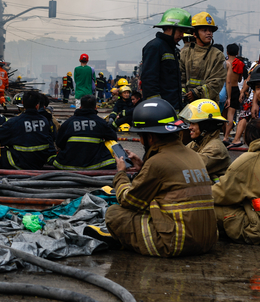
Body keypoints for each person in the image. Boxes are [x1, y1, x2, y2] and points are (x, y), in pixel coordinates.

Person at [91, 98, 218, 256]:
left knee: (114, 213)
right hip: (208, 239)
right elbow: (169, 179)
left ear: (150, 137)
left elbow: (129, 201)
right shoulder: (194, 155)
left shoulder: (157, 162)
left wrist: (121, 174)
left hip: (178, 243)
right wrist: (144, 166)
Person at [141, 8, 194, 111]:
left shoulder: (173, 49)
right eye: (180, 31)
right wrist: (157, 106)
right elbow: (149, 81)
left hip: (173, 108)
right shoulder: (155, 47)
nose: (182, 35)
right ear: (170, 28)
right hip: (160, 110)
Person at [0, 91, 56, 170]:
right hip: (39, 163)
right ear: (37, 105)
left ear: (22, 103)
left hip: (20, 163)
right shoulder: (45, 121)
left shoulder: (15, 122)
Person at [54, 94, 117, 170]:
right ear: (95, 108)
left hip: (68, 164)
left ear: (80, 107)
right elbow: (113, 137)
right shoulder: (100, 122)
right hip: (96, 165)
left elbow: (59, 143)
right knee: (111, 143)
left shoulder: (69, 122)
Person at [178, 99, 231, 182]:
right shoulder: (198, 143)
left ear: (205, 126)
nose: (190, 127)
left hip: (217, 193)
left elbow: (187, 167)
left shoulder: (215, 149)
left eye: (193, 123)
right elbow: (179, 154)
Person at [180, 12, 227, 105]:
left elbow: (217, 81)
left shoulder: (217, 55)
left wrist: (196, 93)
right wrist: (184, 95)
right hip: (186, 105)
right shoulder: (185, 54)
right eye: (204, 30)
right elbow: (179, 78)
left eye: (211, 31)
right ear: (195, 33)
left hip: (209, 105)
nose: (209, 33)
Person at [224, 44, 245, 143]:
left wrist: (228, 96)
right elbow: (241, 78)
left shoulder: (225, 63)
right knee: (231, 115)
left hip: (224, 90)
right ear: (237, 53)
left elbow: (226, 80)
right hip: (235, 89)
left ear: (227, 52)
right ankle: (226, 136)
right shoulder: (240, 64)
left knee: (222, 113)